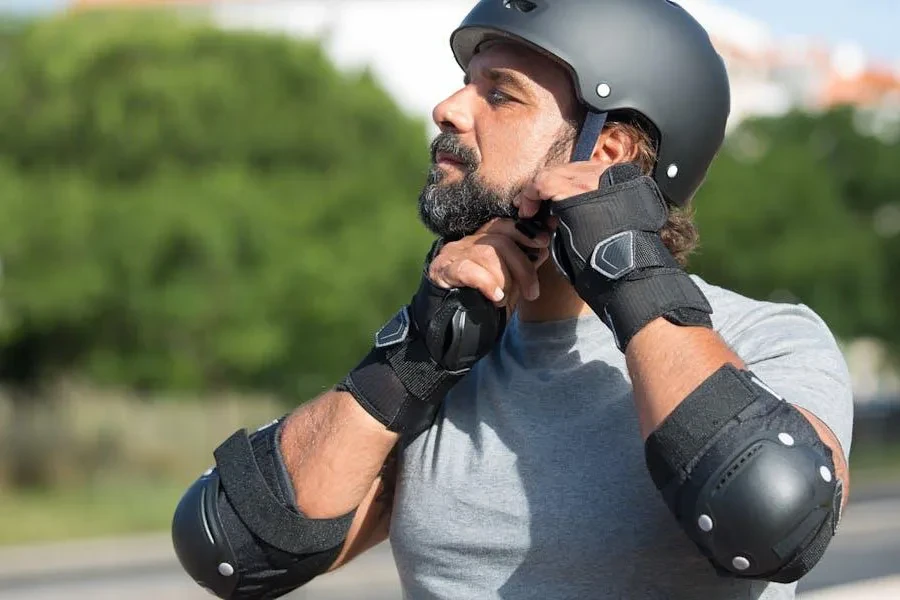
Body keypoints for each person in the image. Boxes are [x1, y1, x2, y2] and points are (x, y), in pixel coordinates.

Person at [171, 1, 854, 599]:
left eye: (501, 95)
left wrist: (629, 267)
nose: (449, 108)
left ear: (607, 150)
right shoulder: (448, 359)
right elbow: (233, 547)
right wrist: (413, 354)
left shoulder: (768, 340)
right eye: (467, 84)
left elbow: (774, 514)